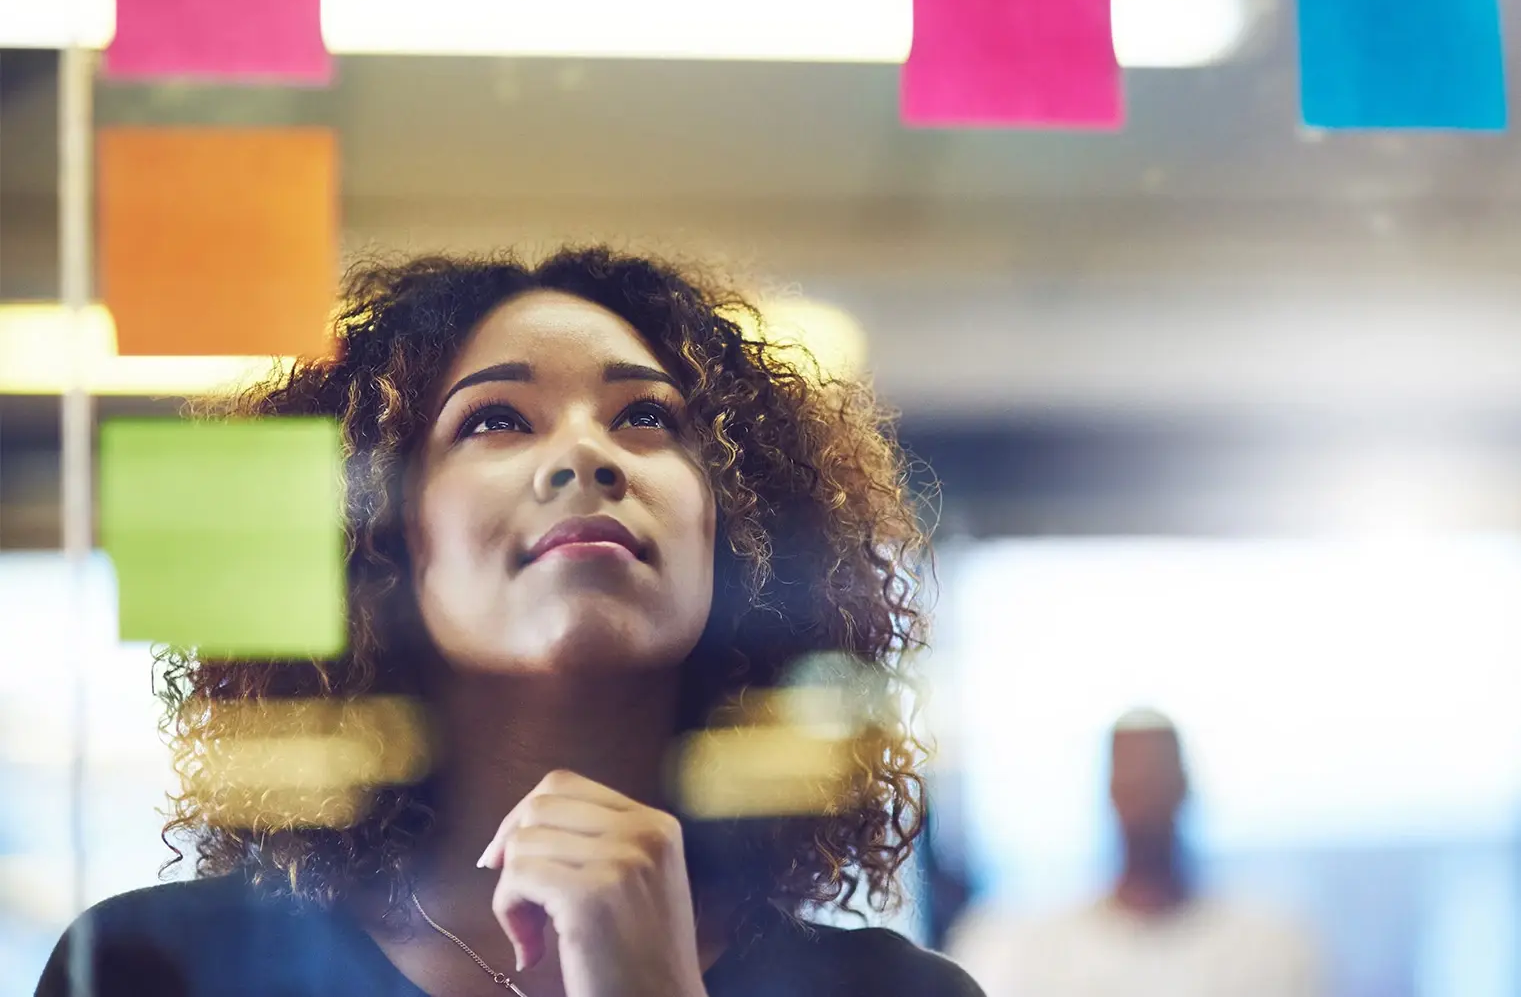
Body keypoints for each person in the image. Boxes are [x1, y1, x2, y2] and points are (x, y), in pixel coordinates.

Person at [36, 247, 982, 997]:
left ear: (732, 527)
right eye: (495, 420)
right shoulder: (153, 971)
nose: (585, 455)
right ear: (384, 540)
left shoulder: (896, 993)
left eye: (646, 417)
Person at [948, 709, 1321, 997]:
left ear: (1183, 787)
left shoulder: (1272, 949)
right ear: (1109, 791)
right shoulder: (1019, 948)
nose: (1143, 796)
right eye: (1130, 779)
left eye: (1156, 777)